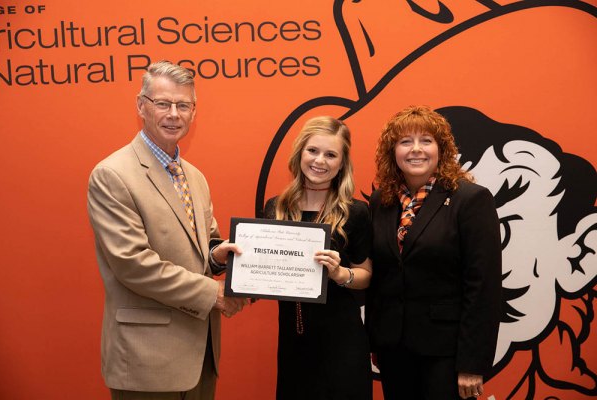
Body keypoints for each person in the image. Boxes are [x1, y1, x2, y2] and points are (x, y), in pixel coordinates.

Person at [87, 60, 248, 400]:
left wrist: (218, 257)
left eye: (183, 105)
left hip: (201, 354)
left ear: (194, 111)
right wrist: (213, 293)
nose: (174, 113)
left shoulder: (195, 177)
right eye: (163, 103)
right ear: (141, 105)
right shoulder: (112, 175)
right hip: (148, 361)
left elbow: (201, 247)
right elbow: (134, 264)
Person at [366, 105, 502, 400]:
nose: (416, 150)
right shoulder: (381, 201)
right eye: (405, 142)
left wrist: (472, 364)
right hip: (393, 350)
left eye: (426, 141)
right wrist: (376, 340)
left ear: (442, 149)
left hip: (447, 354)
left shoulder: (471, 199)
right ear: (393, 152)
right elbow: (382, 275)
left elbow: (483, 287)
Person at [264, 116, 373, 400]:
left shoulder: (356, 212)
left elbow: (366, 275)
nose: (320, 161)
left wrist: (340, 275)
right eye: (313, 150)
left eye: (331, 154)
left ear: (341, 163)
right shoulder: (276, 208)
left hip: (343, 341)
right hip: (293, 339)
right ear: (300, 152)